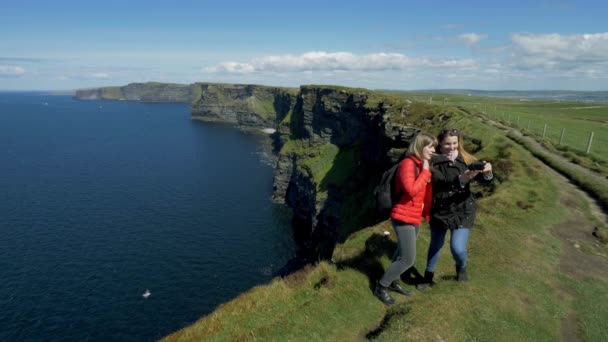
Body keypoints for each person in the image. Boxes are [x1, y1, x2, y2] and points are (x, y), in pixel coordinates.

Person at [417, 128, 493, 289]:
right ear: (439, 144)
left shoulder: (467, 159)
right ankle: (428, 277)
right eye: (447, 144)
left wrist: (488, 173)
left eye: (454, 143)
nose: (451, 147)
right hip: (440, 209)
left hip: (463, 209)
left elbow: (485, 181)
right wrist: (461, 180)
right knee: (436, 244)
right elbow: (439, 183)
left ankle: (461, 267)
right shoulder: (432, 161)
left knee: (457, 248)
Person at [374, 132, 437, 305]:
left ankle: (394, 281)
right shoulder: (408, 164)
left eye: (434, 147)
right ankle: (381, 286)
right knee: (408, 259)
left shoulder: (420, 164)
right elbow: (410, 190)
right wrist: (425, 172)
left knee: (401, 252)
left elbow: (423, 194)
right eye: (430, 146)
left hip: (413, 216)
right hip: (402, 216)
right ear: (420, 146)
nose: (433, 150)